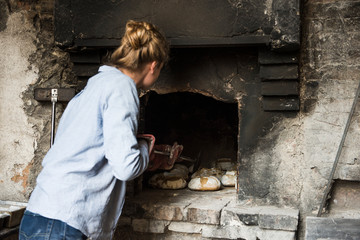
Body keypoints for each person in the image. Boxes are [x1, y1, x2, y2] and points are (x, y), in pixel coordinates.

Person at [19, 20, 169, 240]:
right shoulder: (122, 87)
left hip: (39, 215)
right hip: (64, 223)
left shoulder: (97, 83)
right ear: (153, 65)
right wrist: (147, 147)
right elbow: (126, 168)